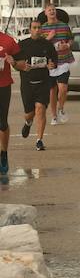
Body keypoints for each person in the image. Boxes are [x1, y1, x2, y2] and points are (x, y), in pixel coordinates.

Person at [13, 19, 58, 151]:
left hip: (43, 82)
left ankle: (39, 140)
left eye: (39, 28)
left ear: (42, 30)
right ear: (30, 29)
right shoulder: (22, 45)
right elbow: (15, 63)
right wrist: (21, 66)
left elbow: (54, 60)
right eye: (34, 28)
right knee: (29, 113)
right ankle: (28, 123)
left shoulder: (47, 45)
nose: (37, 30)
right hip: (27, 84)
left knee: (40, 109)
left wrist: (52, 64)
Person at [40, 3, 74, 125]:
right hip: (50, 63)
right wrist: (49, 38)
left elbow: (71, 39)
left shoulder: (64, 26)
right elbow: (40, 46)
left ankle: (61, 109)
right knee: (52, 91)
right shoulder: (42, 28)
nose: (52, 11)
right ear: (45, 12)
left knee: (63, 89)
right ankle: (54, 116)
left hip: (64, 60)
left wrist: (68, 45)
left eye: (53, 9)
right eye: (49, 10)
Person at [0, 30, 21, 174]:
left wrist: (13, 61)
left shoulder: (8, 40)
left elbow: (20, 64)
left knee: (2, 123)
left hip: (3, 85)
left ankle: (4, 153)